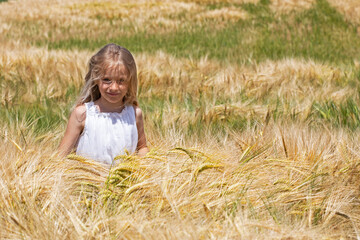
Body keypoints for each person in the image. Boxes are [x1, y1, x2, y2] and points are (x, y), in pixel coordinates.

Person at [59, 43, 149, 165]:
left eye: (121, 81)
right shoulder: (82, 115)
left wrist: (143, 166)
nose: (114, 87)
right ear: (96, 78)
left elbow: (142, 147)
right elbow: (60, 157)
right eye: (107, 80)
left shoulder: (134, 114)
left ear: (130, 81)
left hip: (125, 183)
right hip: (86, 182)